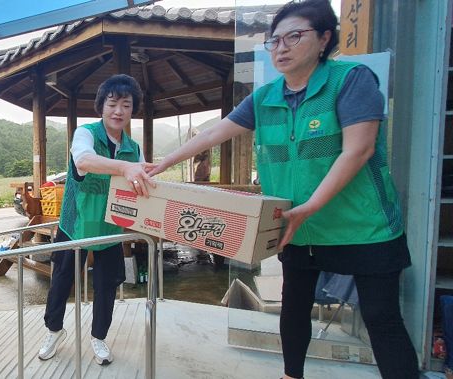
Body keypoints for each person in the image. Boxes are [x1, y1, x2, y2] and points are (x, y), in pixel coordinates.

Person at [148, 1, 418, 378]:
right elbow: (212, 133)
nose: (281, 48)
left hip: (362, 226)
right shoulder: (265, 97)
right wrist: (159, 164)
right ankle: (291, 374)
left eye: (294, 36)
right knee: (293, 308)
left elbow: (360, 149)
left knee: (381, 319)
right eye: (274, 40)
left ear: (324, 39)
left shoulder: (351, 80)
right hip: (298, 227)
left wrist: (310, 206)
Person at [37, 74, 155, 366]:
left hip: (110, 228)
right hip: (74, 225)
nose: (118, 111)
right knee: (62, 281)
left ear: (132, 110)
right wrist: (127, 167)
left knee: (106, 286)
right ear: (101, 106)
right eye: (112, 103)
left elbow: (139, 185)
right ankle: (54, 331)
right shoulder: (85, 133)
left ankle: (99, 337)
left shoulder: (133, 147)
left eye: (126, 105)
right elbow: (84, 162)